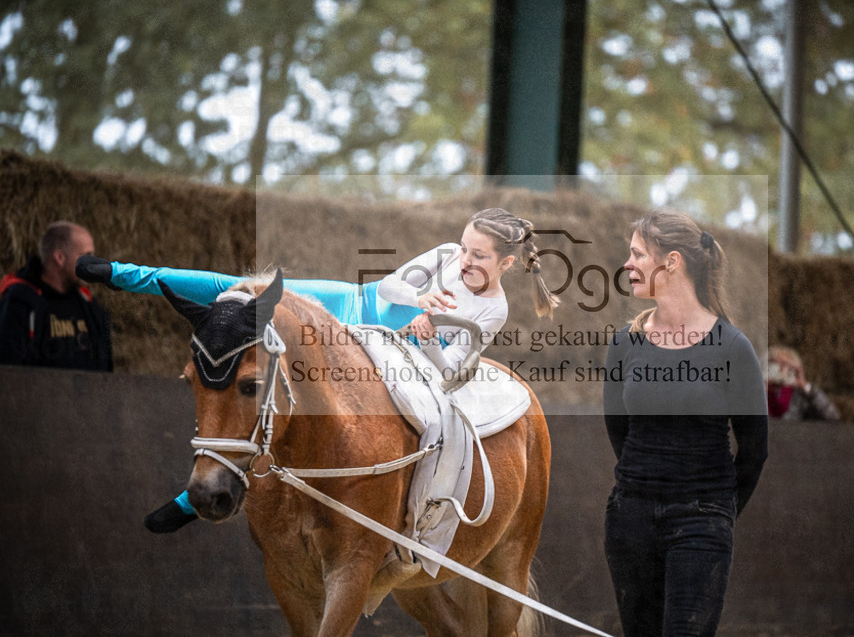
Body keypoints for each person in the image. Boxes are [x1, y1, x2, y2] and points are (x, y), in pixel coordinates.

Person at [77, 208, 559, 532]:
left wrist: (427, 335)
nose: (465, 260)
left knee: (297, 414)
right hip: (353, 307)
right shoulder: (447, 256)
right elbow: (388, 288)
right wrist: (420, 298)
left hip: (395, 356)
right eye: (465, 248)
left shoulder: (493, 309)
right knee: (241, 287)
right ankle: (122, 274)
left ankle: (420, 518)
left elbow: (454, 369)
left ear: (506, 263)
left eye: (479, 256)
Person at [602, 210, 768, 637]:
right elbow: (619, 430)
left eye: (638, 254)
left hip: (701, 523)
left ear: (671, 262)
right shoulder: (624, 344)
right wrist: (646, 483)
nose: (627, 264)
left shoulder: (733, 347)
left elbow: (754, 449)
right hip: (630, 519)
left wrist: (718, 512)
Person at [0, 221, 112, 371]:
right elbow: (8, 371)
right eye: (86, 256)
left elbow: (106, 369)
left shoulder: (88, 305)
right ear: (59, 258)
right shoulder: (20, 304)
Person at [761, 344, 840, 421]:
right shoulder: (760, 393)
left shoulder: (801, 395)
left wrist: (806, 388)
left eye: (787, 367)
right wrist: (761, 387)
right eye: (775, 366)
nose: (782, 371)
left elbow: (832, 417)